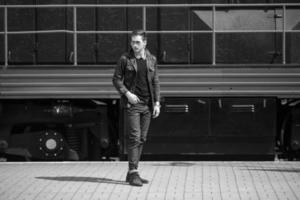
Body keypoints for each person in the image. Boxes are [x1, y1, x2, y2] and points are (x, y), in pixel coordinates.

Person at [112, 30, 160, 187]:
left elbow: (155, 82)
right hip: (132, 104)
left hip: (147, 105)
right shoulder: (125, 59)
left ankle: (132, 172)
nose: (134, 45)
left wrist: (157, 103)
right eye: (132, 42)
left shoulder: (151, 59)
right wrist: (127, 94)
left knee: (142, 139)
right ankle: (134, 173)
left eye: (137, 42)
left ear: (145, 43)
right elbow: (116, 79)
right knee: (134, 137)